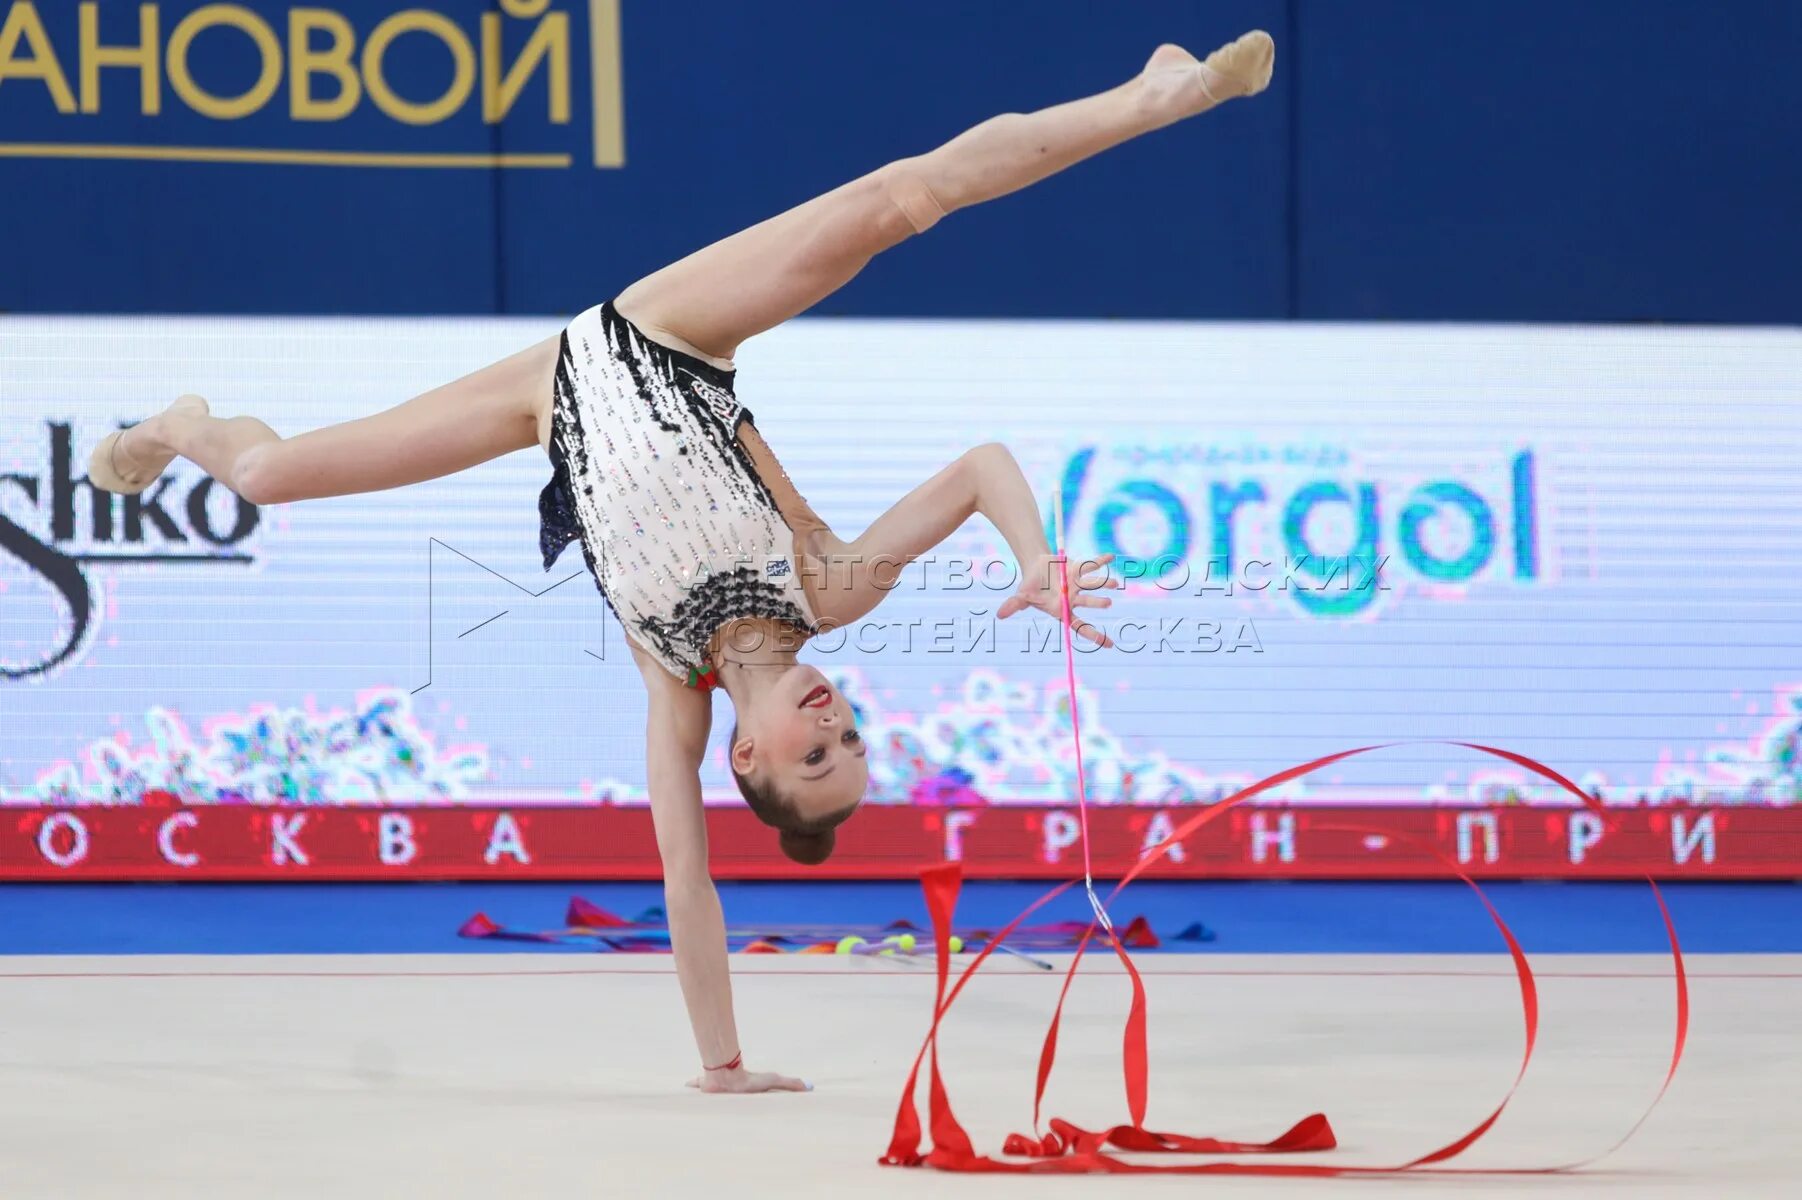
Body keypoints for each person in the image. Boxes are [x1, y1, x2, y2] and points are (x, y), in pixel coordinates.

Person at [87, 32, 1275, 1093]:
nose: (836, 726)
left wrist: (723, 1066)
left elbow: (687, 886)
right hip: (668, 337)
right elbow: (978, 466)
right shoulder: (835, 597)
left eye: (816, 756)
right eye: (851, 742)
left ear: (747, 755)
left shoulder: (674, 698)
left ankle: (177, 423)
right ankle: (1148, 98)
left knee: (267, 476)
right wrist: (1036, 558)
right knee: (895, 200)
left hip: (543, 401)